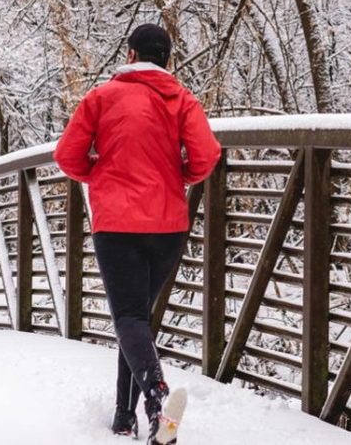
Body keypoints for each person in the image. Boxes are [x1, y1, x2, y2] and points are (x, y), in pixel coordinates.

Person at [54, 23, 221, 444]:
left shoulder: (102, 97)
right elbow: (206, 156)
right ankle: (123, 417)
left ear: (130, 55)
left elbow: (67, 156)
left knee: (128, 318)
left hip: (117, 225)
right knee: (137, 321)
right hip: (166, 226)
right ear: (168, 59)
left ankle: (155, 400)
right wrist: (177, 177)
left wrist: (100, 176)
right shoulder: (182, 99)